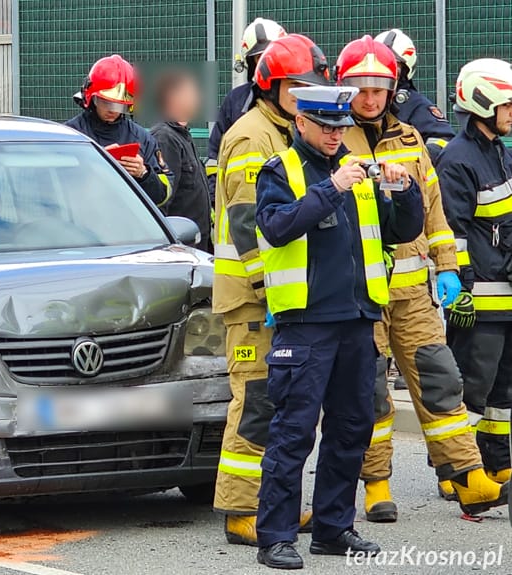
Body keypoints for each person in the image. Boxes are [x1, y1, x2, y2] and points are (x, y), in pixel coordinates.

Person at [337, 36, 510, 523]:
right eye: (360, 89)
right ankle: (376, 484)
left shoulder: (411, 140)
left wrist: (450, 269)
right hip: (360, 295)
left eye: (380, 90)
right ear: (343, 88)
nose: (370, 100)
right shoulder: (331, 138)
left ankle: (467, 475)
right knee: (369, 393)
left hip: (413, 293)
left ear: (394, 89)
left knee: (441, 381)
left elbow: (436, 215)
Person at [254, 84, 425, 569]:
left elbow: (400, 232)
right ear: (301, 123)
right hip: (306, 323)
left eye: (341, 127)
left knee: (352, 428)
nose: (335, 136)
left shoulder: (357, 171)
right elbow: (276, 227)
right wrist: (333, 187)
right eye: (326, 127)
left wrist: (405, 189)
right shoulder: (281, 170)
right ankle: (277, 537)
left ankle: (332, 528)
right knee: (293, 432)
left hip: (356, 319)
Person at [212, 34, 329, 547]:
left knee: (275, 401)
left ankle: (262, 503)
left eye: (310, 84)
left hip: (277, 295)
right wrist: (269, 292)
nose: (304, 92)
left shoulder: (283, 131)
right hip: (253, 297)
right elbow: (244, 225)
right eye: (295, 85)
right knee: (256, 399)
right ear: (272, 86)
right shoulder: (252, 137)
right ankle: (242, 511)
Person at [436, 58, 512, 492]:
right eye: (508, 104)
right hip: (478, 301)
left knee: (502, 395)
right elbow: (454, 231)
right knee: (469, 393)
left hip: (505, 298)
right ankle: (457, 472)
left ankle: (496, 465)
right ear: (485, 101)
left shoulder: (498, 152)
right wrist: (459, 289)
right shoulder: (459, 160)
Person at [66, 54, 172, 206]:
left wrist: (143, 173)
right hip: (84, 222)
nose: (113, 111)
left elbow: (163, 196)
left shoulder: (142, 138)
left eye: (120, 106)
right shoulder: (70, 136)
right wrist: (95, 164)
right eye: (107, 103)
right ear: (91, 98)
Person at [206, 18, 287, 207]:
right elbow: (214, 157)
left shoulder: (295, 99)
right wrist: (214, 200)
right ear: (251, 62)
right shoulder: (236, 100)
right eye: (261, 57)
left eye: (273, 55)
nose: (268, 63)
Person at [151, 68, 212, 251]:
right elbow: (163, 198)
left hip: (197, 247)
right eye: (191, 92)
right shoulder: (165, 138)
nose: (198, 98)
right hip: (181, 251)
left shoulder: (182, 136)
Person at [375, 28, 456, 164]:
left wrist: (413, 161)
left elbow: (444, 141)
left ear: (405, 70)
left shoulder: (415, 105)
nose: (385, 71)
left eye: (393, 66)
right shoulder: (360, 100)